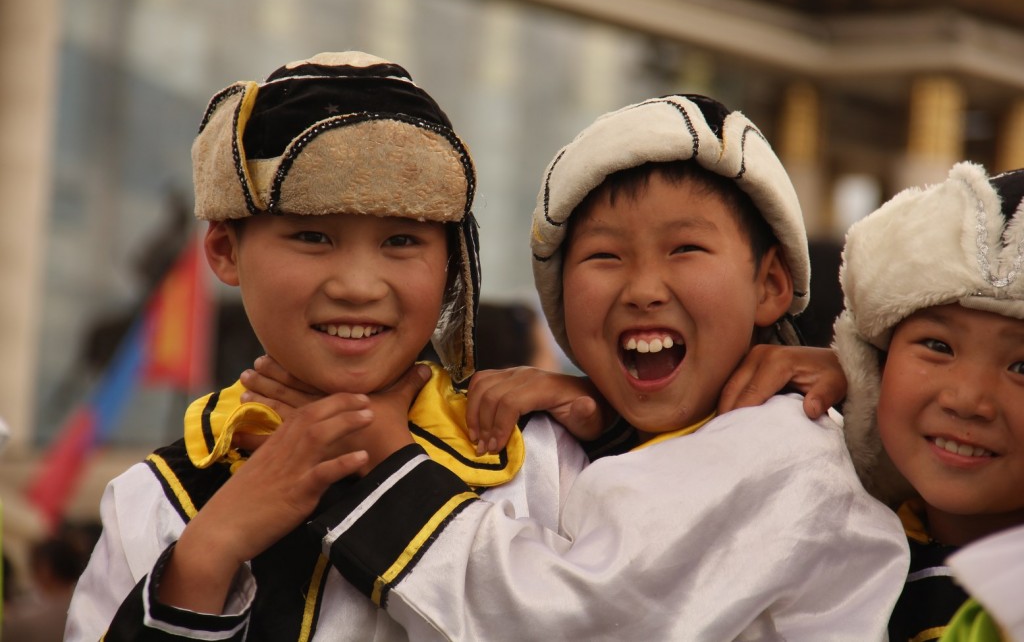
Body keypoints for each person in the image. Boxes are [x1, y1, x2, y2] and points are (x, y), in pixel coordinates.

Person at [265, 94, 908, 639]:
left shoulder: (776, 443)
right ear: (563, 310)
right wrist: (607, 429)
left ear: (769, 284)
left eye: (685, 248)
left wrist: (381, 460)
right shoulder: (683, 437)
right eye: (605, 257)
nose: (643, 288)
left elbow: (566, 617)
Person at [64, 51, 588, 640]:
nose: (358, 287)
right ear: (224, 251)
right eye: (313, 236)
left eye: (401, 239)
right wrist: (208, 553)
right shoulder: (155, 497)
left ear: (451, 265)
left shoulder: (542, 456)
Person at [833, 162, 1024, 641]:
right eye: (938, 346)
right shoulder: (825, 544)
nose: (967, 400)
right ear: (873, 367)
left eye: (1022, 368)